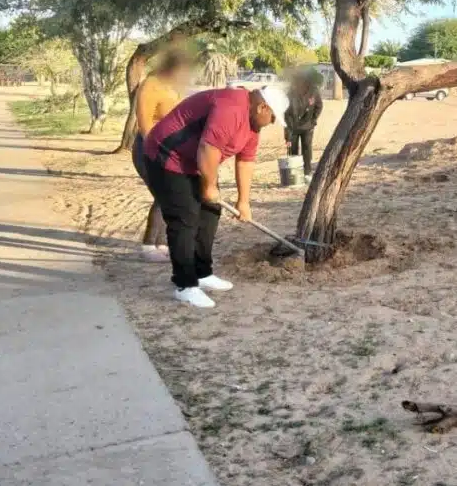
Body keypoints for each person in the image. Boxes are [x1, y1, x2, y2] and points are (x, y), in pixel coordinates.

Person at [144, 86, 289, 308]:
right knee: (185, 218)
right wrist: (209, 185)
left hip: (195, 162)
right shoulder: (231, 107)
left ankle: (203, 273)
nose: (271, 123)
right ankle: (185, 285)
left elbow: (246, 161)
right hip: (167, 155)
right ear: (262, 107)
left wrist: (244, 201)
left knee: (210, 212)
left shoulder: (253, 125)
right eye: (272, 118)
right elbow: (207, 148)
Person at [131, 49, 192, 262]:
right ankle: (148, 245)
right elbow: (145, 124)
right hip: (149, 147)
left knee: (171, 194)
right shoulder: (150, 85)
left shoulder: (172, 88)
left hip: (170, 147)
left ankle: (161, 243)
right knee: (164, 194)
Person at [284, 69, 323, 183]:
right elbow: (286, 114)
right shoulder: (290, 93)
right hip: (293, 127)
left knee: (307, 149)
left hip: (308, 127)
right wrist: (287, 136)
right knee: (293, 150)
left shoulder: (314, 91)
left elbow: (319, 106)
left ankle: (307, 173)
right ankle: (296, 174)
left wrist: (313, 120)